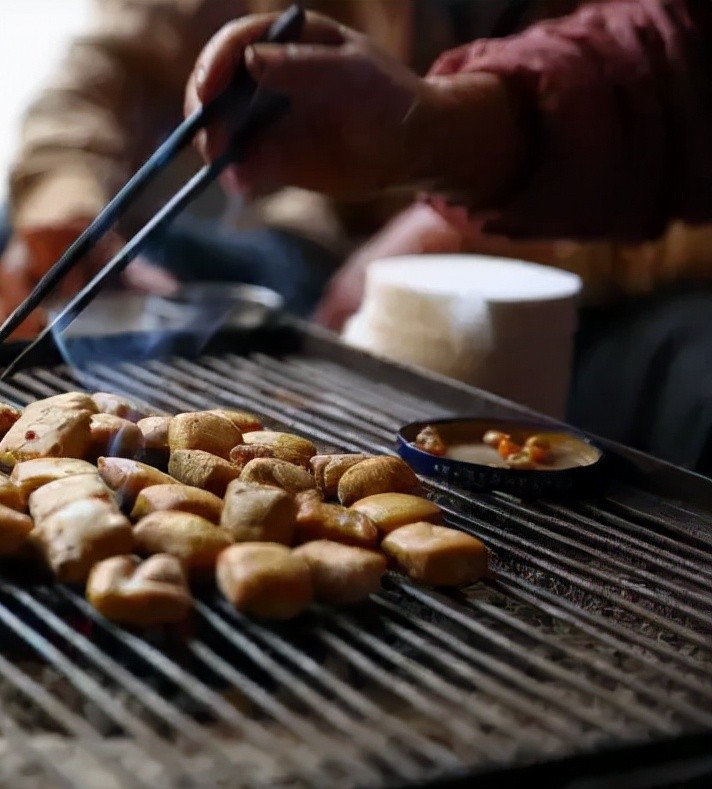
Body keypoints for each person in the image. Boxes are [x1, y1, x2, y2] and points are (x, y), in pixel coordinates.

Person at [188, 0, 712, 473]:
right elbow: (130, 33)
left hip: (605, 294)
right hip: (345, 238)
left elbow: (682, 84)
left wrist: (445, 211)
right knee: (182, 263)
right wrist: (99, 194)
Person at [0, 0, 592, 341]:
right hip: (324, 252)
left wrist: (446, 230)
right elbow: (107, 69)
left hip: (579, 275)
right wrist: (68, 207)